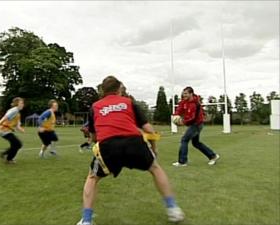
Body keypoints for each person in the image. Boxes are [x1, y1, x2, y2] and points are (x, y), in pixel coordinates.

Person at [77, 76, 184, 225]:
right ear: (119, 89)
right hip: (134, 142)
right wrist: (154, 148)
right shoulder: (129, 103)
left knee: (92, 178)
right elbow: (147, 128)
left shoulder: (95, 107)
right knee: (155, 168)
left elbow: (94, 136)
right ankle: (173, 209)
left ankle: (86, 220)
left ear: (103, 90)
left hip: (108, 145)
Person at [172, 86, 220, 167]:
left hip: (197, 124)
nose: (184, 95)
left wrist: (183, 122)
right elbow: (179, 109)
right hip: (192, 124)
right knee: (196, 143)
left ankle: (182, 162)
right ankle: (213, 156)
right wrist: (176, 116)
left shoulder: (196, 104)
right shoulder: (184, 101)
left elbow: (193, 118)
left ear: (191, 94)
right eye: (183, 94)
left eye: (186, 94)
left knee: (184, 140)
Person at [0, 98, 25, 164]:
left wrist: (21, 129)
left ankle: (7, 157)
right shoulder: (14, 110)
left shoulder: (18, 113)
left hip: (8, 131)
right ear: (17, 104)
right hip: (4, 130)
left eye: (23, 103)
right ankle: (7, 157)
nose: (23, 105)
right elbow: (4, 118)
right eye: (21, 103)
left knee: (16, 145)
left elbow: (17, 125)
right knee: (18, 144)